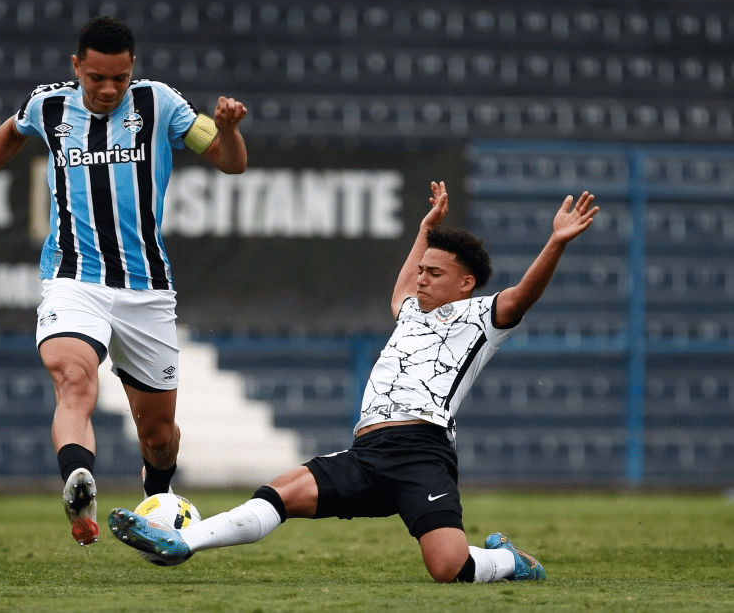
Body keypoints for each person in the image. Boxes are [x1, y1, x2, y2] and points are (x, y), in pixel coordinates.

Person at [107, 181, 599, 582]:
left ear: (465, 283)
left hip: (420, 452)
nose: (422, 279)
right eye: (422, 270)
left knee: (449, 569)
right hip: (368, 453)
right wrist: (425, 230)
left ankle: (512, 561)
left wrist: (555, 242)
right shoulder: (411, 312)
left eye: (435, 273)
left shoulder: (481, 316)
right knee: (280, 492)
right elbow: (403, 287)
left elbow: (523, 297)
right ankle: (181, 543)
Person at [0, 16, 248, 546]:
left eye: (119, 78)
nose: (108, 89)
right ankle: (80, 488)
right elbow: (11, 130)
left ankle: (156, 497)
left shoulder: (160, 103)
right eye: (97, 77)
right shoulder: (49, 106)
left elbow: (230, 163)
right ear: (76, 66)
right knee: (74, 380)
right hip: (73, 277)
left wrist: (229, 130)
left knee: (159, 437)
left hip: (146, 289)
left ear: (132, 70)